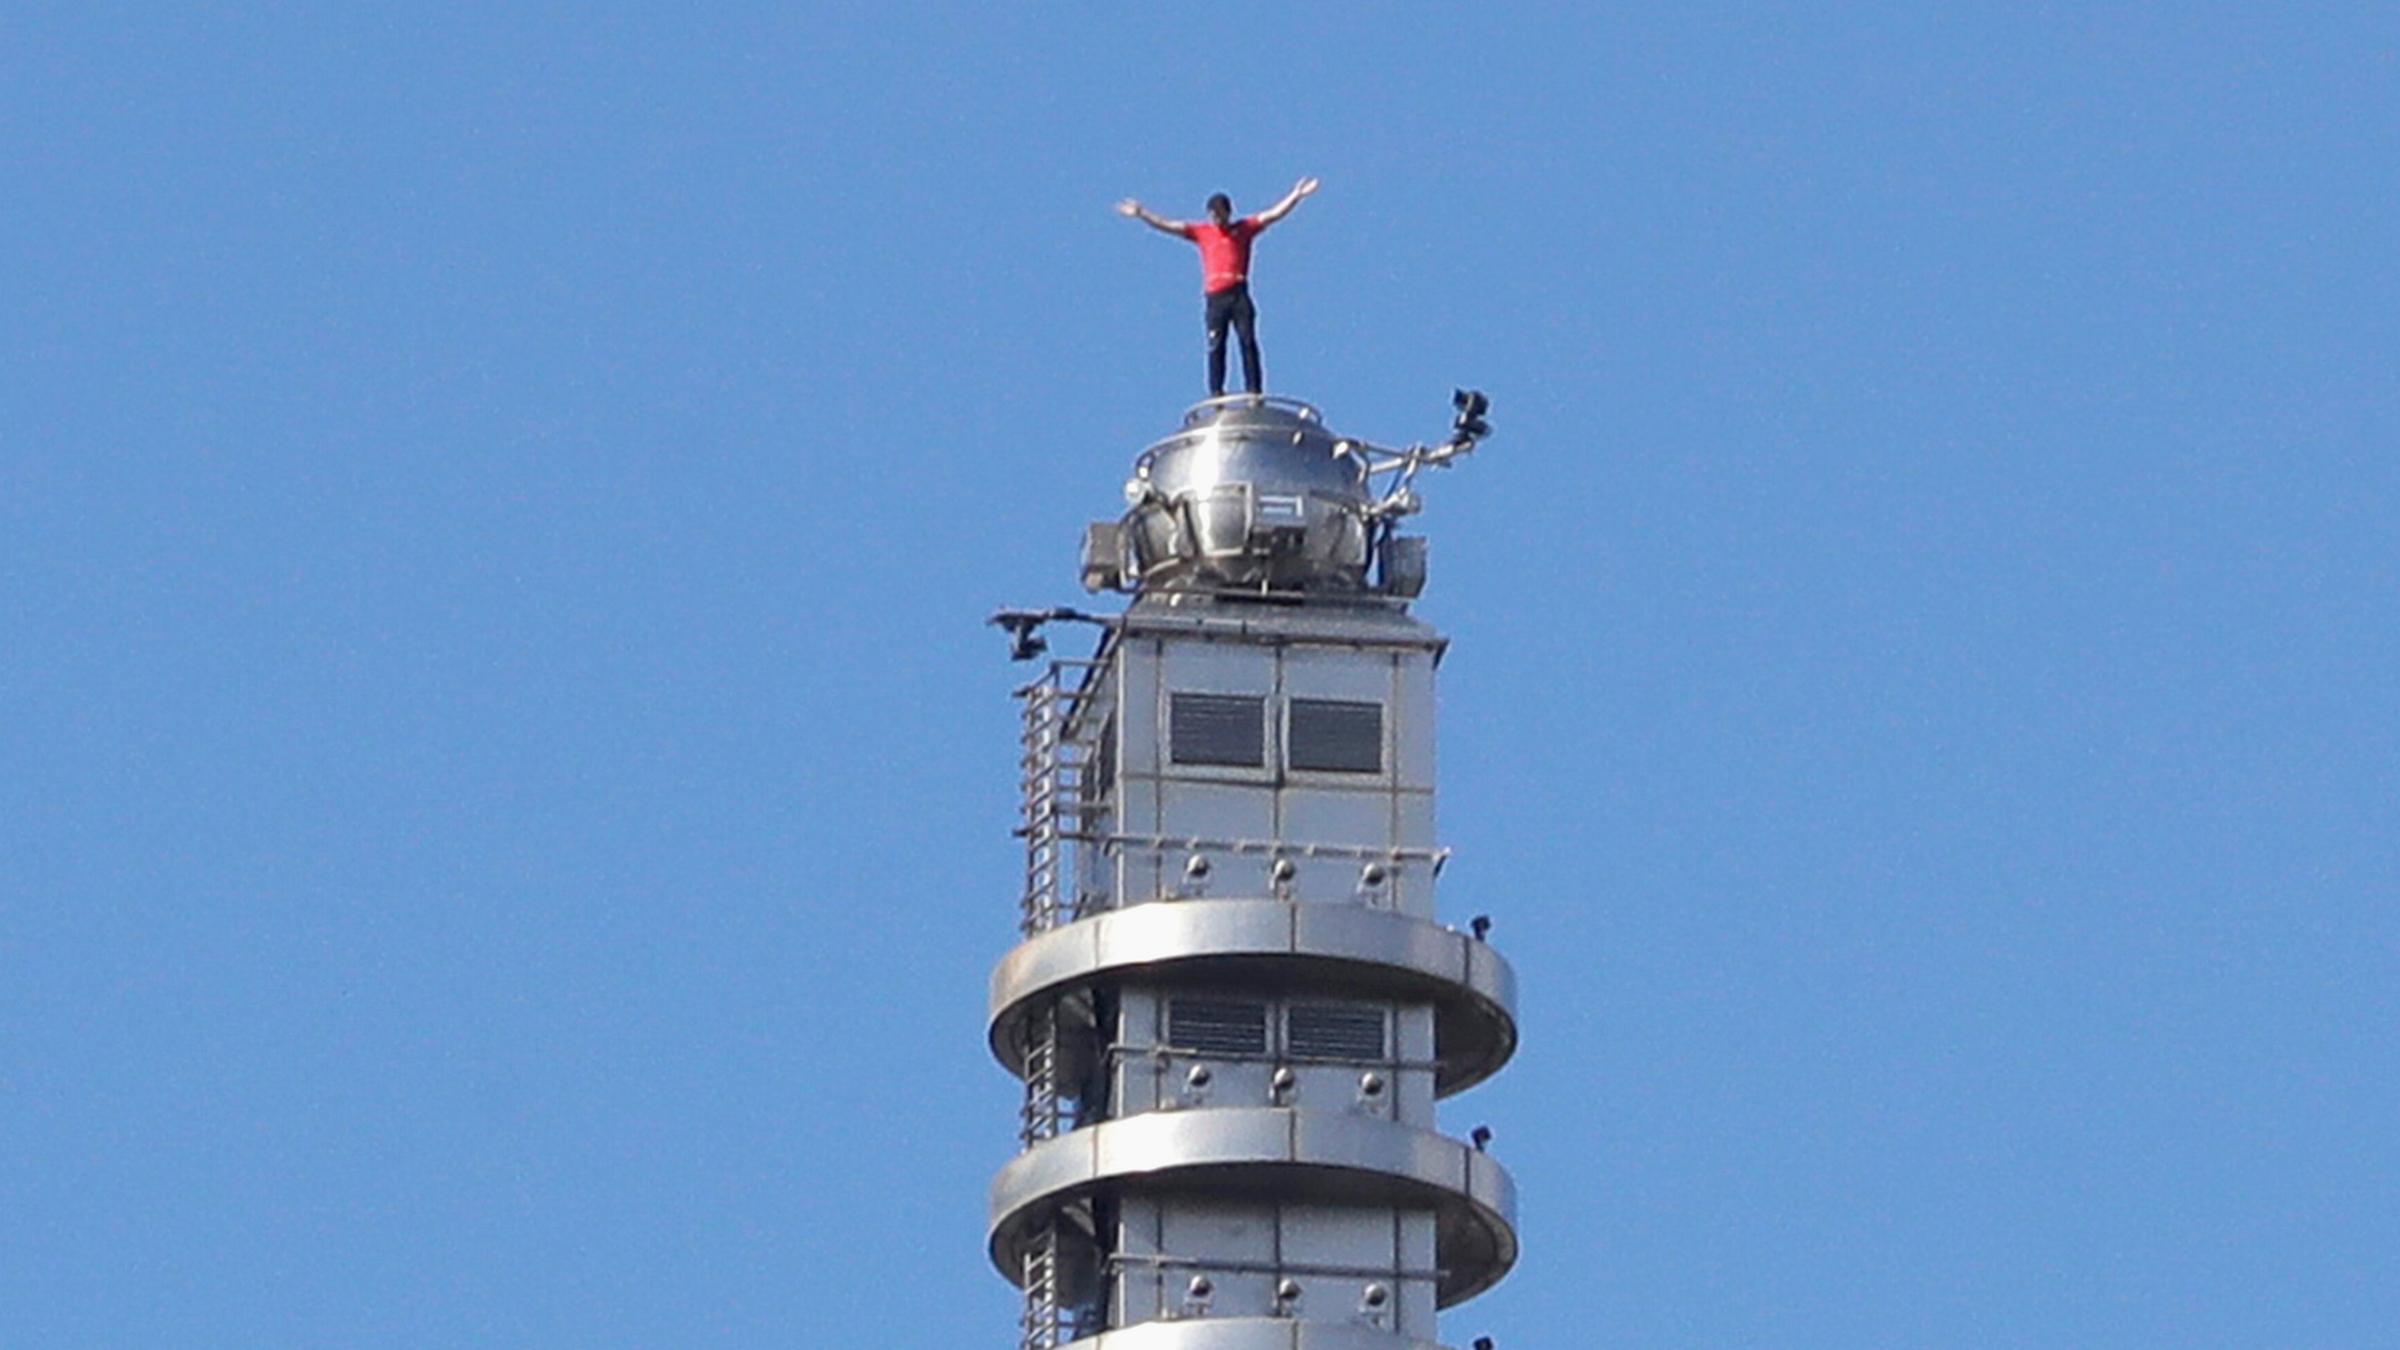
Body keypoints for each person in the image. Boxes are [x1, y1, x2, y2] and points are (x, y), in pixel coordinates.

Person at [1117, 178, 1320, 397]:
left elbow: (1272, 215)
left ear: (1228, 213)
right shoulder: (1202, 232)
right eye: (1213, 215)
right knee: (1216, 345)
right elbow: (1169, 226)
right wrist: (1142, 213)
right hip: (1216, 297)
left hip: (1238, 292)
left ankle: (1254, 391)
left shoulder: (1244, 229)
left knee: (1247, 340)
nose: (1216, 219)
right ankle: (1216, 393)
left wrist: (1296, 196)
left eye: (1220, 214)